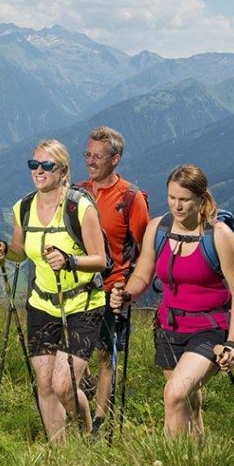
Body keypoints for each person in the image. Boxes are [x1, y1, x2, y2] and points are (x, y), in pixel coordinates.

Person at [109, 164, 234, 437]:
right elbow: (142, 274)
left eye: (184, 199)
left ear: (201, 199)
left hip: (210, 328)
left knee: (173, 395)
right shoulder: (157, 229)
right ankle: (196, 463)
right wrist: (127, 294)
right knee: (188, 401)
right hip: (169, 327)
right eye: (172, 198)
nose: (177, 205)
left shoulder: (219, 236)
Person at [0, 139, 108, 443]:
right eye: (33, 165)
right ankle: (59, 454)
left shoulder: (79, 208)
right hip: (42, 304)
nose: (38, 171)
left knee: (63, 385)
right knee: (44, 383)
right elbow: (20, 250)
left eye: (46, 166)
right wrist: (5, 252)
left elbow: (101, 260)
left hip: (82, 304)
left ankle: (86, 431)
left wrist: (70, 261)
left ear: (63, 170)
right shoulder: (23, 207)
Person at [78, 126, 150, 437]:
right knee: (73, 351)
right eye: (87, 155)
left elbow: (145, 249)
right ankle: (86, 389)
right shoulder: (79, 191)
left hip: (112, 288)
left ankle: (99, 422)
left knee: (105, 354)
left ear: (115, 159)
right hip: (76, 286)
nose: (90, 162)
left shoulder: (131, 198)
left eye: (97, 157)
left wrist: (129, 287)